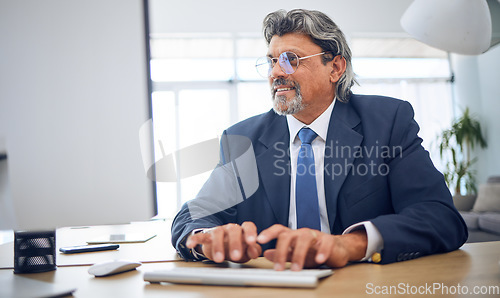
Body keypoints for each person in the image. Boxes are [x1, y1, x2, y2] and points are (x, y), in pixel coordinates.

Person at [171, 9, 467, 271]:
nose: (275, 72)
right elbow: (193, 215)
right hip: (271, 287)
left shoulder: (388, 121)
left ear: (335, 68)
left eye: (290, 60)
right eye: (272, 61)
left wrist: (348, 245)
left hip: (364, 287)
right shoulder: (243, 139)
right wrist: (206, 239)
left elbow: (440, 217)